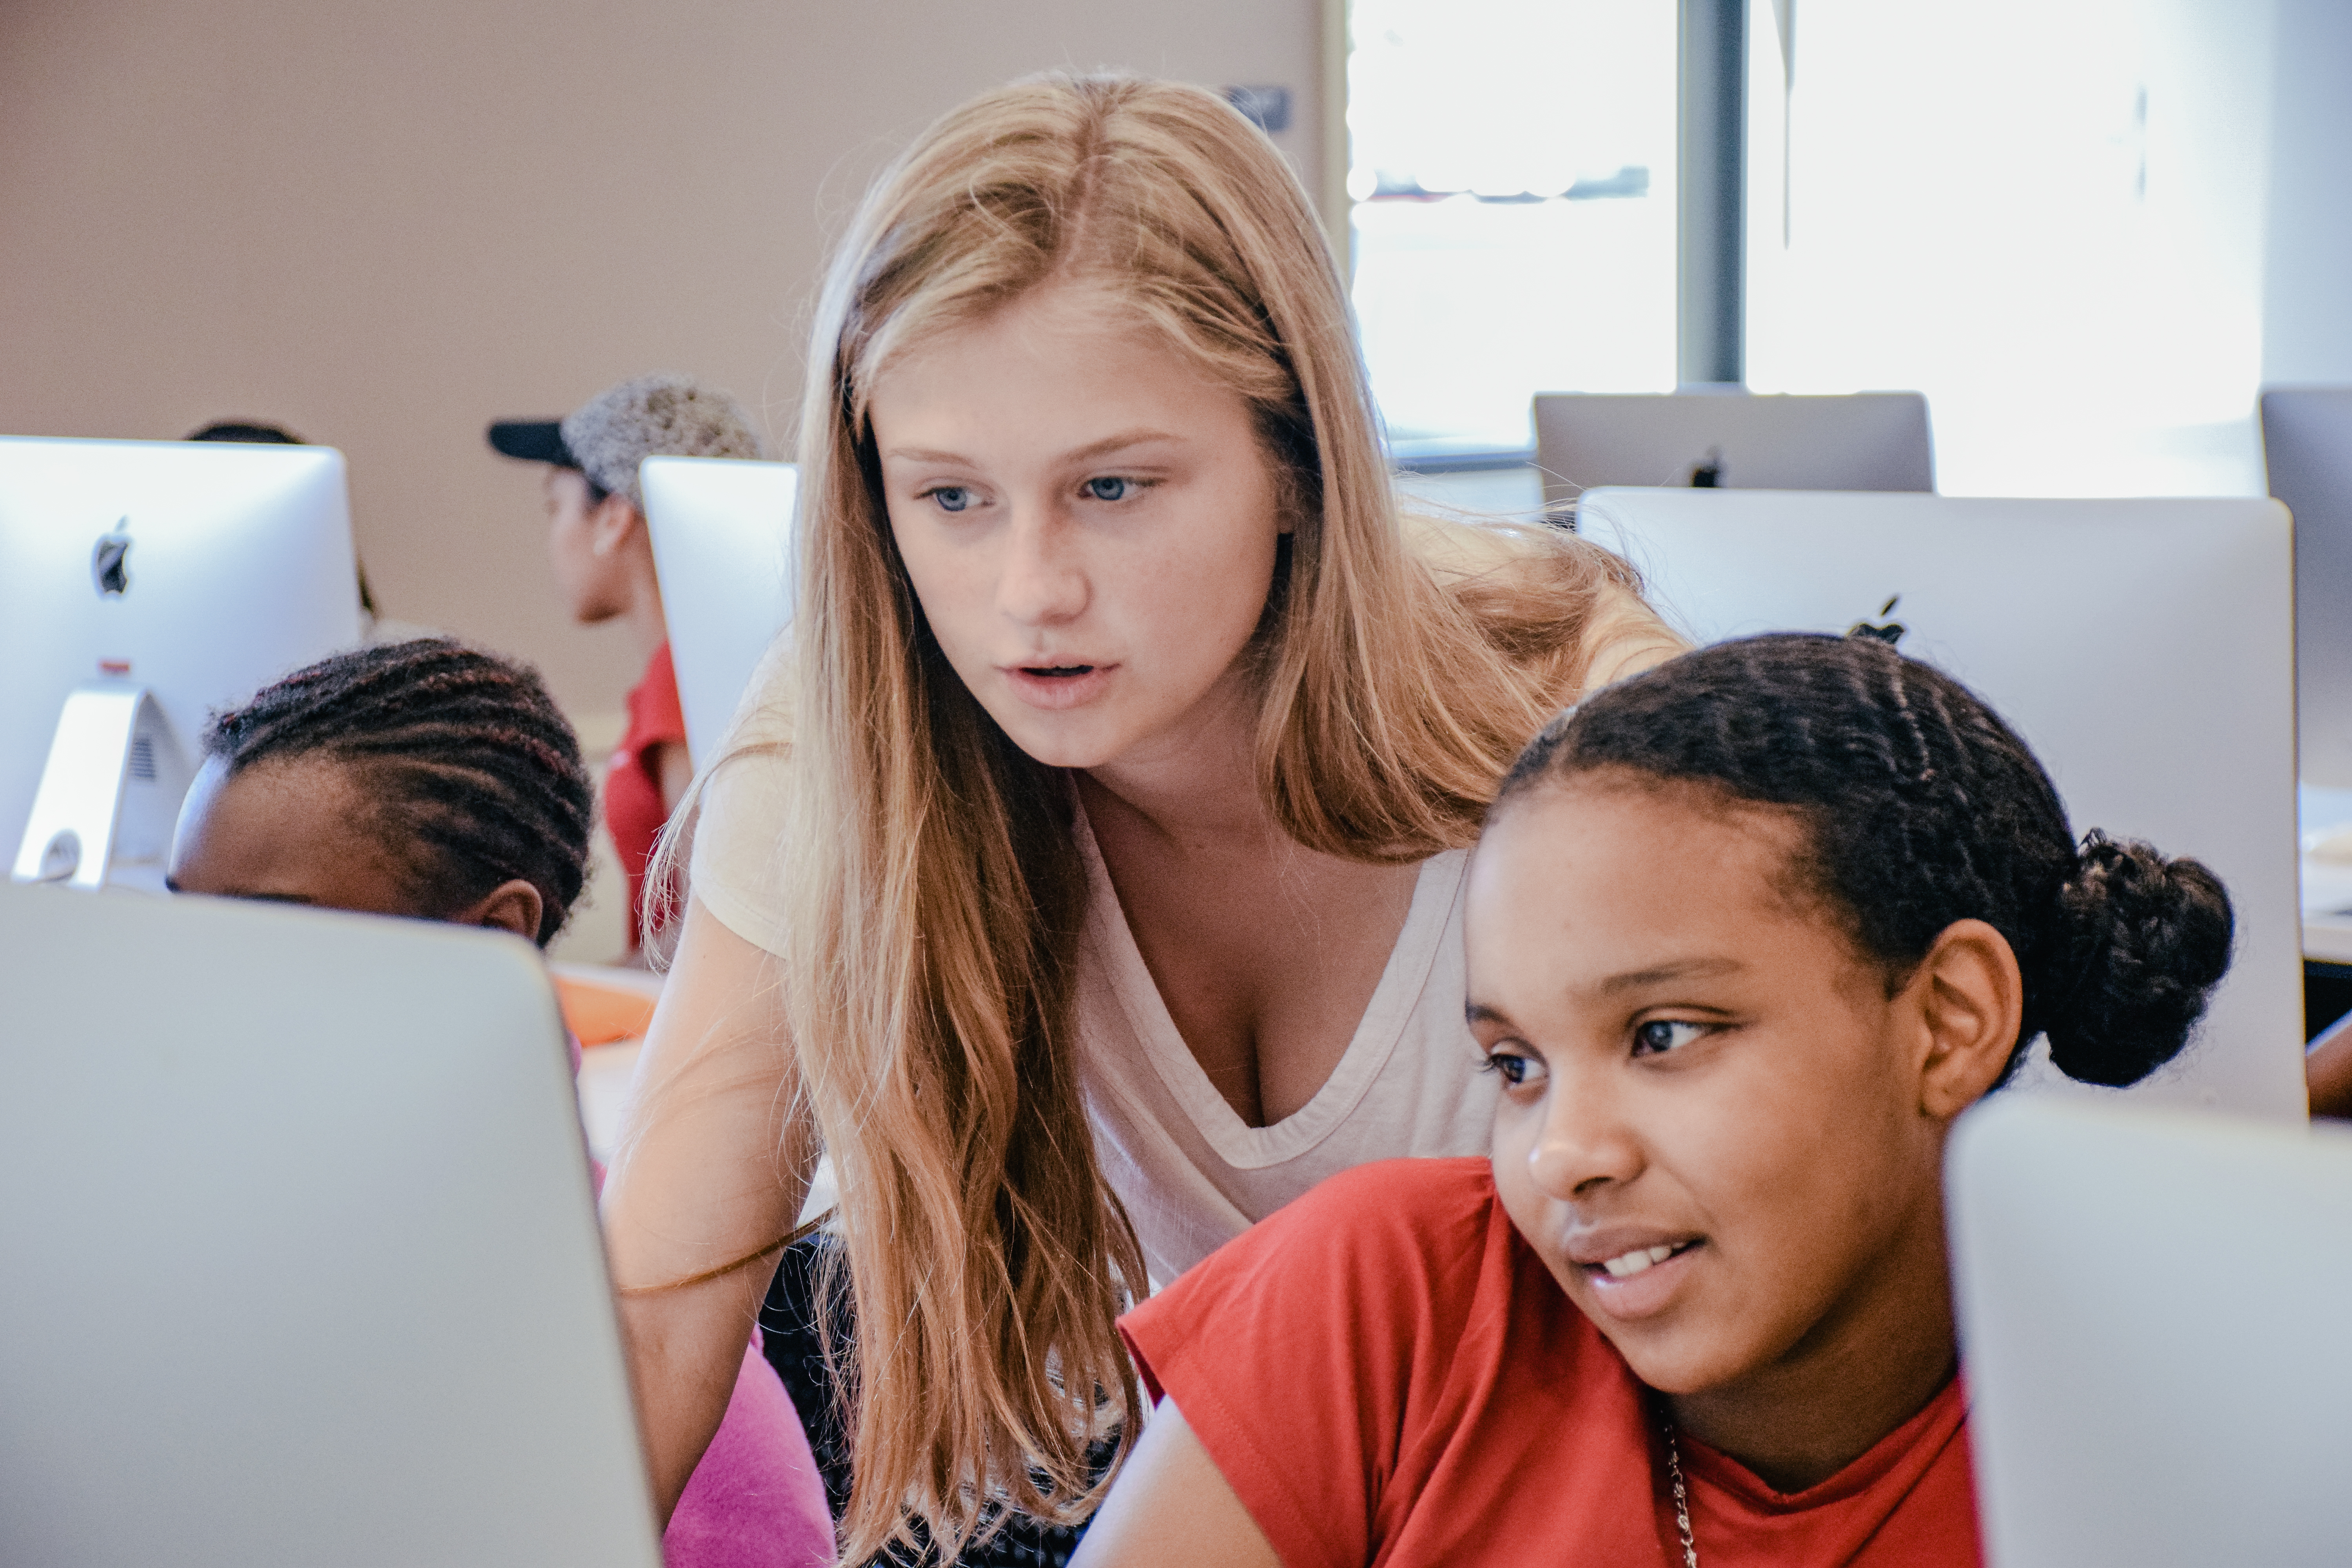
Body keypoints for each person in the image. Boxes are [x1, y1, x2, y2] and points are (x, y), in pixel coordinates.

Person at [601, 72, 1683, 1563]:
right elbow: (658, 1325)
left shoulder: (1581, 722)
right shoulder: (851, 742)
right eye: (952, 500)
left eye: (1111, 487)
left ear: (1296, 467)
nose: (1029, 593)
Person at [1073, 633, 2236, 1567]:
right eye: (1517, 1066)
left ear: (1948, 1021)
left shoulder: (2178, 1446)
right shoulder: (1381, 1304)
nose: (1562, 1156)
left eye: (1663, 1036)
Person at [165, 638, 834, 1568]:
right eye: (176, 923)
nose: (188, 989)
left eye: (266, 932)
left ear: (492, 939)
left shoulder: (604, 1346)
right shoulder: (242, 1234)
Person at [488, 374, 767, 955]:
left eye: (556, 507)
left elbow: (709, 937)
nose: (553, 537)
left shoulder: (683, 683)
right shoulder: (682, 676)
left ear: (614, 518)